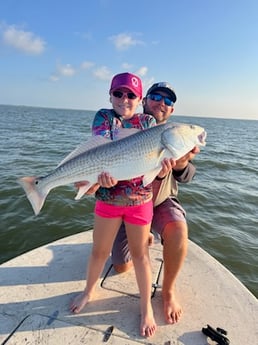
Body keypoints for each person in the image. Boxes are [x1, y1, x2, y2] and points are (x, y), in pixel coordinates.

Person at [70, 72, 157, 337]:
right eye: (118, 93)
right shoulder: (104, 117)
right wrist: (94, 180)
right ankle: (88, 291)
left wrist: (163, 165)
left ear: (140, 99)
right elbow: (102, 149)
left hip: (140, 200)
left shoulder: (148, 121)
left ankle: (146, 307)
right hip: (108, 199)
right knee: (99, 251)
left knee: (140, 256)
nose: (124, 99)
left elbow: (151, 163)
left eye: (131, 95)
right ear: (110, 95)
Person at [109, 82, 199, 324]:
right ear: (145, 101)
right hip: (129, 204)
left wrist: (180, 164)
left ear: (171, 111)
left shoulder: (178, 134)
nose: (162, 103)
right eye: (157, 97)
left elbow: (189, 174)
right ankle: (144, 233)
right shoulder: (124, 126)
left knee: (179, 229)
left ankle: (168, 290)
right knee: (120, 268)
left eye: (168, 101)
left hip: (160, 201)